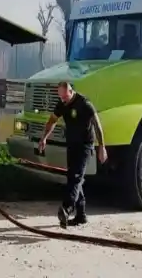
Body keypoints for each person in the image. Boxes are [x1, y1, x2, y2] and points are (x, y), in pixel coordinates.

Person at [38, 81, 107, 228]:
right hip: (72, 143)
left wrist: (102, 146)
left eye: (64, 97)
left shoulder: (84, 103)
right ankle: (81, 215)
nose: (62, 100)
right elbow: (52, 120)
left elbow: (97, 124)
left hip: (85, 145)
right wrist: (44, 138)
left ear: (71, 91)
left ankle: (67, 208)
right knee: (73, 177)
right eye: (60, 97)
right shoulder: (62, 103)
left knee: (76, 177)